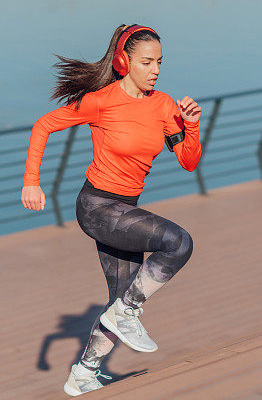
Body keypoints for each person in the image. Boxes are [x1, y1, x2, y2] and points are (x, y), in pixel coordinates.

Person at [20, 23, 202, 396]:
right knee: (178, 243)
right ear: (124, 61)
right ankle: (127, 312)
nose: (155, 70)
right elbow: (43, 126)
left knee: (120, 301)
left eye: (160, 62)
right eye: (147, 62)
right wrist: (31, 182)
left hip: (125, 210)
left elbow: (188, 161)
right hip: (97, 206)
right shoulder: (101, 100)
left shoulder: (164, 105)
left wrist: (193, 126)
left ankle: (84, 373)